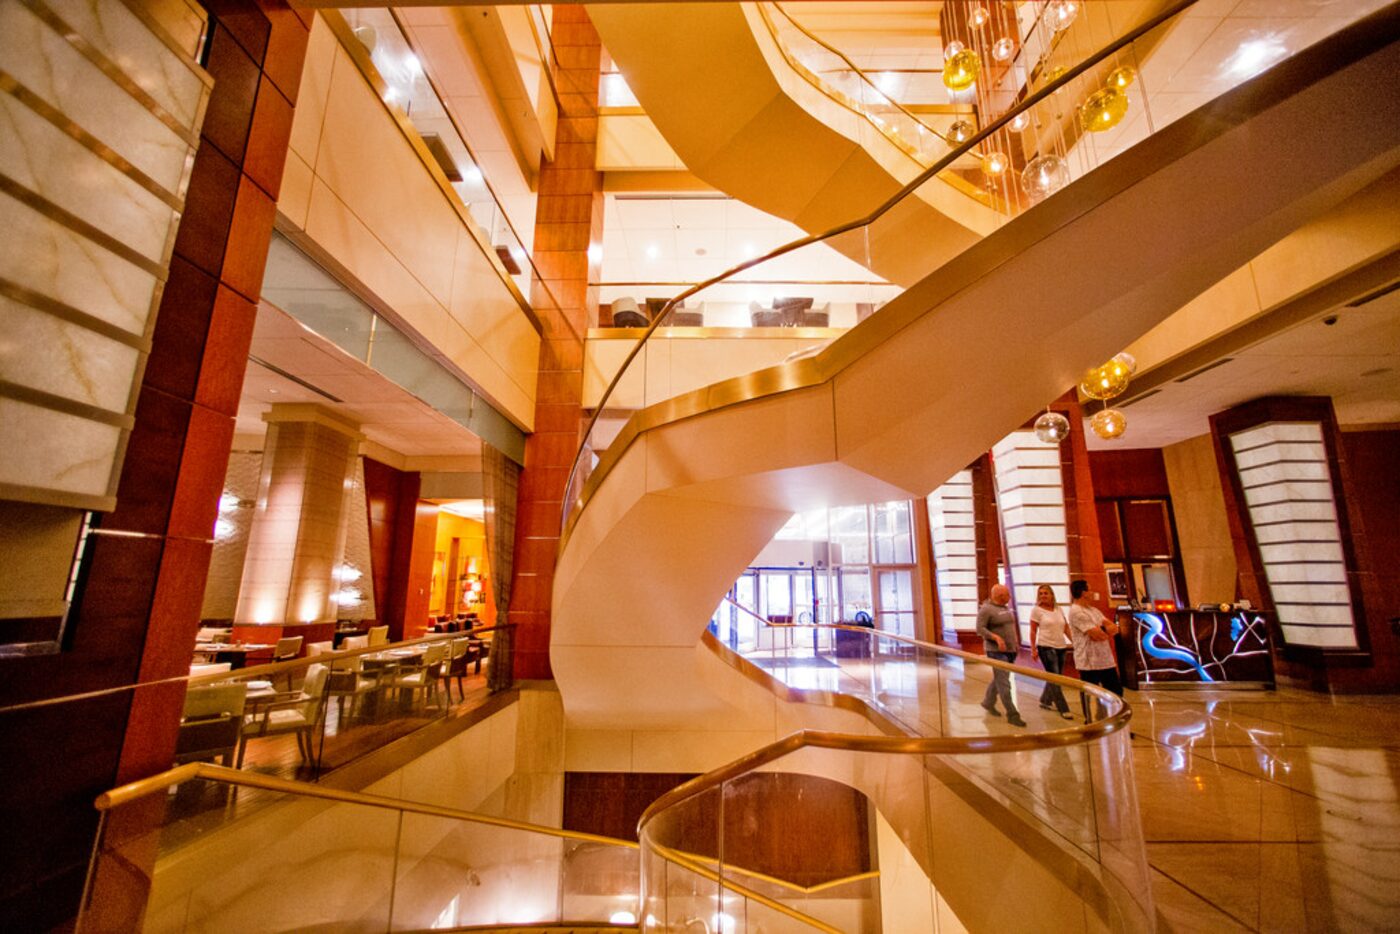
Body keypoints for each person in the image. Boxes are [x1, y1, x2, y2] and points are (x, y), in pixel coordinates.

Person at [1067, 579, 1123, 719]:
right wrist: (1103, 630)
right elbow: (1096, 634)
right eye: (1090, 590)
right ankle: (1091, 722)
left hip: (1106, 660)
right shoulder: (1076, 612)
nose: (1093, 593)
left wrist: (1103, 629)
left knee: (1116, 692)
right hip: (1088, 662)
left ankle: (1113, 721)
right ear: (1083, 593)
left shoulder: (1094, 610)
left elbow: (1114, 628)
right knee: (1090, 694)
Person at [975, 584, 1025, 727]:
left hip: (1010, 650)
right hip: (996, 651)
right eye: (1007, 594)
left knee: (1000, 678)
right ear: (999, 596)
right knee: (1004, 682)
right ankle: (1012, 714)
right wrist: (995, 637)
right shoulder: (986, 610)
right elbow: (979, 629)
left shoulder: (1005, 608)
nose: (1009, 597)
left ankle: (988, 702)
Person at [1029, 584, 1074, 720]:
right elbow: (1032, 630)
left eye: (1046, 593)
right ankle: (1063, 708)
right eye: (1041, 593)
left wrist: (1073, 641)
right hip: (1046, 646)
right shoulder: (1036, 611)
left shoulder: (1058, 609)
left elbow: (1065, 626)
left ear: (1052, 595)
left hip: (1061, 646)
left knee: (1056, 676)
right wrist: (1033, 649)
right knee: (1055, 679)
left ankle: (1045, 699)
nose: (1043, 596)